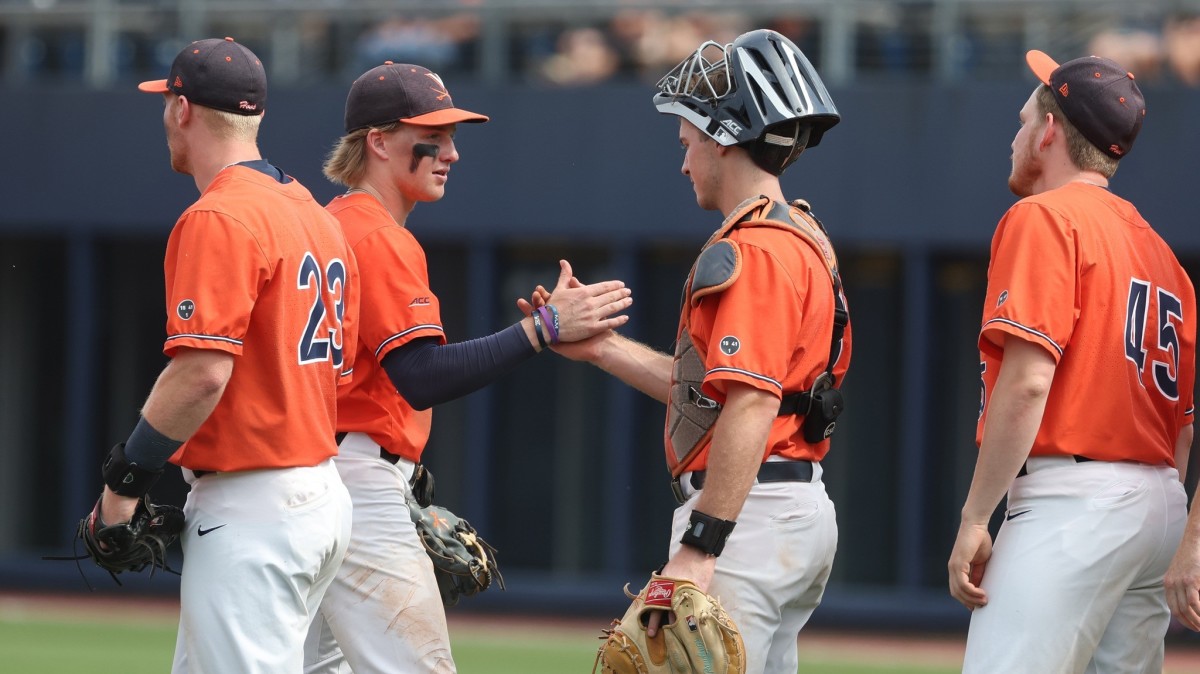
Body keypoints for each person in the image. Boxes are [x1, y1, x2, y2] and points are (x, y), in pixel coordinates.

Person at [525, 29, 850, 674]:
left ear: (724, 138)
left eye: (688, 142)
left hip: (746, 517)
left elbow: (752, 406)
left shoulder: (754, 249)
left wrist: (702, 543)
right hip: (783, 507)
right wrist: (602, 349)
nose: (683, 163)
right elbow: (717, 394)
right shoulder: (799, 233)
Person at [302, 61, 633, 673]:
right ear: (378, 141)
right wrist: (542, 330)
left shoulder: (330, 224)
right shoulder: (377, 236)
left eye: (455, 137)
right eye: (435, 135)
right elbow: (422, 374)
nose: (451, 152)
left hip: (319, 476)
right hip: (359, 484)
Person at [89, 37, 359, 672]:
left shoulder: (220, 215)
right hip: (319, 496)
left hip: (256, 505)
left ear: (182, 109)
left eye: (165, 104)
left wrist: (126, 480)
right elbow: (335, 374)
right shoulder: (317, 216)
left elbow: (203, 372)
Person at [948, 50, 1196, 673]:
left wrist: (977, 516)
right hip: (1158, 501)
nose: (1016, 136)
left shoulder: (1043, 217)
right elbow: (1183, 429)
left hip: (1073, 504)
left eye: (1024, 119)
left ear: (1051, 132)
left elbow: (1029, 382)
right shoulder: (1165, 257)